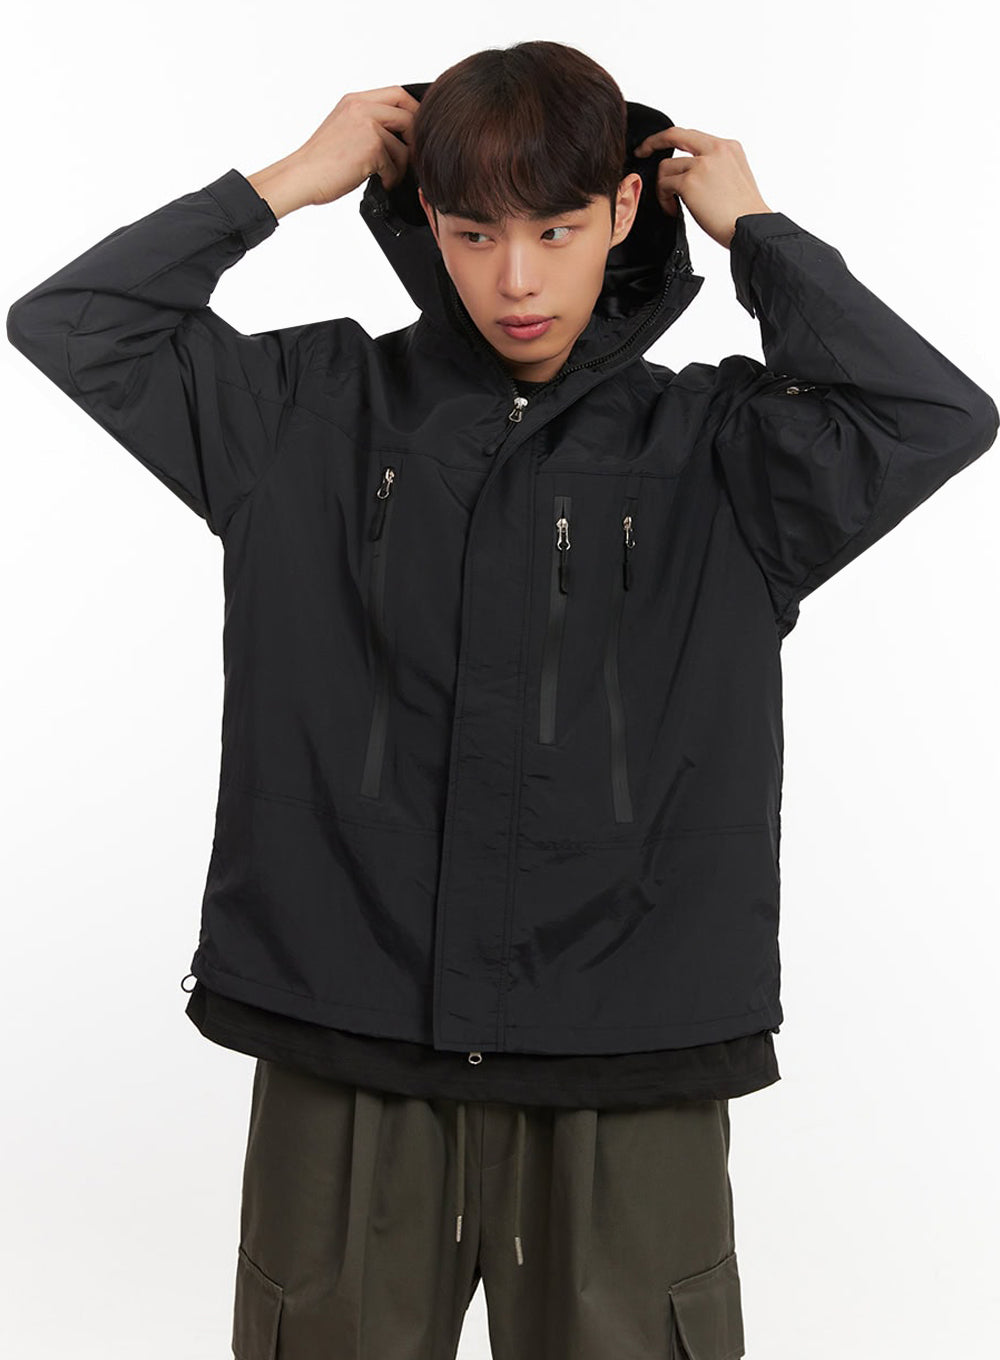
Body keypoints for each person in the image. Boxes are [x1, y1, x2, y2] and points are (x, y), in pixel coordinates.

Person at [7, 39, 996, 1360]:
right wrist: (286, 180)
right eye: (475, 233)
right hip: (348, 1043)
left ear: (625, 210)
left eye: (556, 229)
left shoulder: (726, 451)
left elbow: (932, 415)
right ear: (429, 221)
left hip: (625, 1059)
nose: (516, 279)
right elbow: (74, 323)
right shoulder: (305, 410)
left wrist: (759, 237)